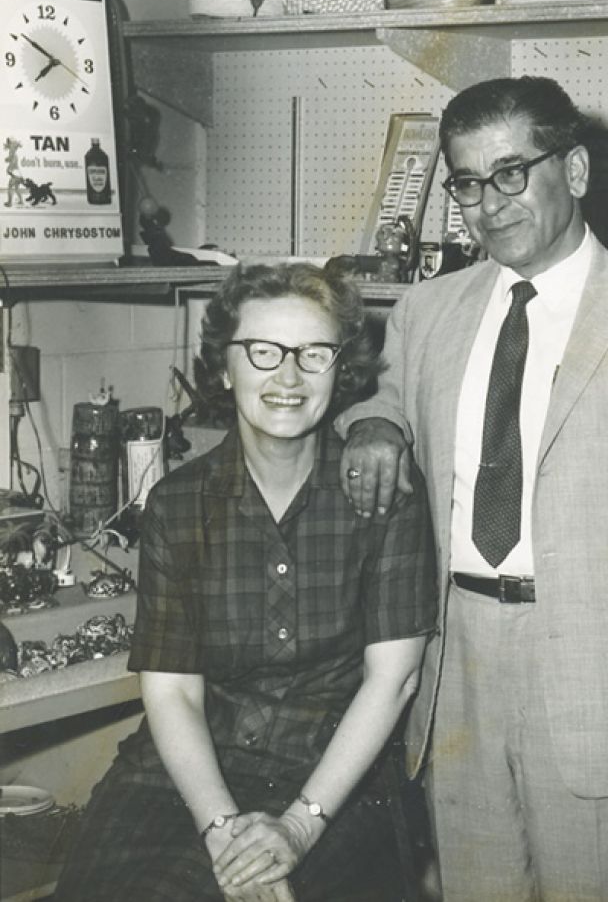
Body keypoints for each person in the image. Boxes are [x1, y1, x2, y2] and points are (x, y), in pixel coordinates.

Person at [337, 76, 608, 901]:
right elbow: (382, 393)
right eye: (465, 182)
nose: (488, 204)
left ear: (572, 169)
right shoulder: (426, 311)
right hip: (459, 678)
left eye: (510, 173)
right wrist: (375, 424)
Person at [55, 261, 437, 902]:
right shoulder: (177, 505)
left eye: (314, 354)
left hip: (332, 782)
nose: (288, 377)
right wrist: (222, 831)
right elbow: (172, 693)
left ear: (342, 371)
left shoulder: (384, 497)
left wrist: (297, 828)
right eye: (263, 352)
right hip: (188, 774)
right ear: (224, 368)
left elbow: (392, 680)